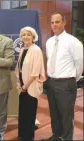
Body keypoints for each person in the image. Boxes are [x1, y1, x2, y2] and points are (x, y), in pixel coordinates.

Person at [42, 13, 83, 141]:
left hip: (66, 83)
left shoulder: (73, 41)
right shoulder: (49, 42)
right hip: (51, 82)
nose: (54, 25)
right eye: (52, 22)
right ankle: (56, 136)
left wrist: (71, 80)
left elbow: (80, 63)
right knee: (54, 114)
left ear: (64, 23)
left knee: (66, 115)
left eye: (57, 22)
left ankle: (66, 138)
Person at [15, 26, 46, 141]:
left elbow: (35, 73)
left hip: (30, 87)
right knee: (23, 113)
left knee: (29, 114)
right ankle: (22, 135)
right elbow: (19, 68)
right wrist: (19, 83)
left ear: (33, 37)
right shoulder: (23, 49)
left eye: (28, 34)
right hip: (22, 86)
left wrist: (25, 86)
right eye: (23, 35)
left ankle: (28, 137)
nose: (25, 37)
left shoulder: (36, 50)